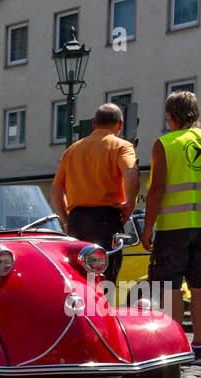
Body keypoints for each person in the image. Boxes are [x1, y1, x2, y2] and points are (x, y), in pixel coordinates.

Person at [141, 90, 201, 367]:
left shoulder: (165, 144)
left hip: (173, 227)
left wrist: (147, 228)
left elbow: (156, 190)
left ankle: (175, 345)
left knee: (171, 287)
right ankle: (199, 347)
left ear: (171, 116)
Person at [51, 103, 138, 288]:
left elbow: (56, 191)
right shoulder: (122, 146)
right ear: (120, 125)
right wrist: (130, 204)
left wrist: (66, 221)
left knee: (79, 279)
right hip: (106, 220)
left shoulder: (72, 150)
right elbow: (131, 174)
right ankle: (101, 316)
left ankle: (80, 315)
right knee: (104, 280)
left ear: (94, 124)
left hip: (77, 220)